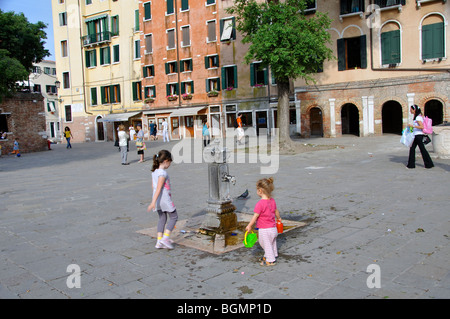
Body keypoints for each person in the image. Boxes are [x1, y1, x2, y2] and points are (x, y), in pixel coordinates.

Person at [245, 177, 281, 266]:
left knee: (265, 244)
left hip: (265, 229)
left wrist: (249, 225)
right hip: (273, 228)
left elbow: (255, 217)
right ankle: (272, 254)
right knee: (272, 243)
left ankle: (270, 260)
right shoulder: (272, 201)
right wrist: (279, 218)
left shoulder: (260, 204)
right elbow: (276, 211)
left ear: (260, 190)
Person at [147, 150, 177, 249]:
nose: (170, 164)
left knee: (162, 218)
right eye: (170, 162)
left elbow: (153, 187)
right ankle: (165, 238)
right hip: (164, 199)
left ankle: (159, 241)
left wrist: (154, 200)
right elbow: (159, 188)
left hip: (157, 199)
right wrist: (152, 202)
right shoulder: (162, 173)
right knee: (174, 217)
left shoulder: (154, 172)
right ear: (166, 161)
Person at [406, 105, 434, 169]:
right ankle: (412, 165)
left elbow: (422, 127)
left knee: (421, 149)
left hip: (418, 135)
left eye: (411, 109)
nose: (410, 111)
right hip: (416, 135)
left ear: (414, 110)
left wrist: (413, 126)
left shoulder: (418, 118)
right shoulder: (419, 117)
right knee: (414, 149)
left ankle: (427, 164)